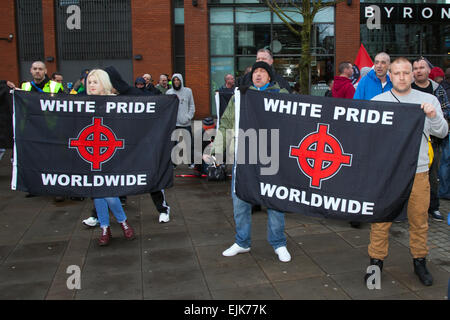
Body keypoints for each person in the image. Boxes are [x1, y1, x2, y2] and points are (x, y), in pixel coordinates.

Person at [365, 57, 448, 287]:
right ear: (389, 76)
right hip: (388, 173)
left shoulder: (428, 100)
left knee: (419, 220)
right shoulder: (378, 101)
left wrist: (432, 116)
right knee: (380, 220)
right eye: (397, 73)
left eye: (406, 72)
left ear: (413, 75)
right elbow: (368, 137)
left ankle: (419, 261)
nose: (402, 77)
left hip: (418, 172)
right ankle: (376, 262)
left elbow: (442, 132)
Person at [204, 61, 291, 263]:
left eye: (263, 72)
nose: (258, 75)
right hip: (244, 156)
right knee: (240, 200)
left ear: (270, 77)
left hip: (272, 156)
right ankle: (242, 242)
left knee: (275, 201)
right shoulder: (240, 96)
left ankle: (279, 243)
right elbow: (226, 124)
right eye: (255, 72)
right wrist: (216, 152)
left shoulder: (281, 96)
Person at [82, 66, 171, 226]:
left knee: (150, 176)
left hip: (137, 147)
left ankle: (163, 209)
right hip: (111, 148)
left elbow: (155, 105)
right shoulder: (94, 99)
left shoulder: (131, 94)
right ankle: (97, 215)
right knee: (101, 181)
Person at [85, 69, 136, 246]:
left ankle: (120, 222)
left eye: (95, 82)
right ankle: (107, 227)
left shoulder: (116, 102)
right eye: (89, 82)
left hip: (112, 152)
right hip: (90, 154)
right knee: (98, 193)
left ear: (104, 83)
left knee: (107, 191)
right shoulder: (81, 103)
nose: (91, 85)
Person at [412, 57, 450, 222]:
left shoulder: (437, 90)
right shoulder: (407, 89)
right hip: (411, 143)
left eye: (422, 67)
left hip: (433, 143)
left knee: (432, 176)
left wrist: (433, 120)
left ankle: (433, 208)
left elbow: (445, 112)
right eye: (416, 68)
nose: (418, 70)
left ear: (429, 71)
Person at [166, 73, 196, 168]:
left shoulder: (188, 91)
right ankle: (174, 163)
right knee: (173, 144)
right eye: (174, 80)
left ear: (181, 81)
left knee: (188, 144)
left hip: (185, 123)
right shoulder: (169, 92)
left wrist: (188, 117)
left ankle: (190, 162)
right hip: (174, 123)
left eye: (178, 80)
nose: (176, 82)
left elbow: (192, 105)